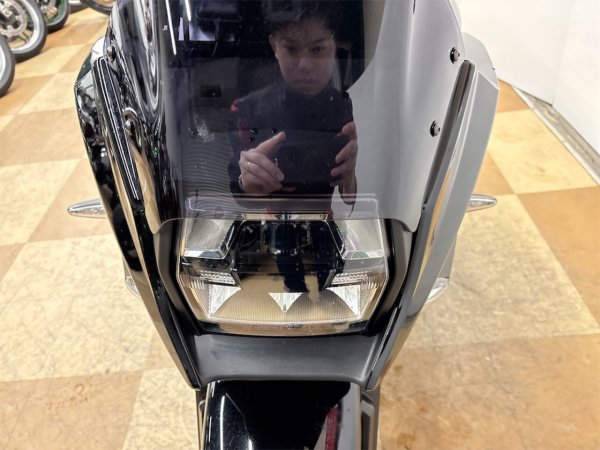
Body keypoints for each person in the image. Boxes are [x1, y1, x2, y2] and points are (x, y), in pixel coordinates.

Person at [228, 0, 358, 209]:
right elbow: (238, 194)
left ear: (335, 45)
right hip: (271, 221)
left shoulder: (341, 104)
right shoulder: (246, 109)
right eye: (290, 48)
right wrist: (247, 181)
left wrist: (349, 175)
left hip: (323, 221)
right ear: (274, 46)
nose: (304, 65)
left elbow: (349, 198)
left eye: (317, 49)